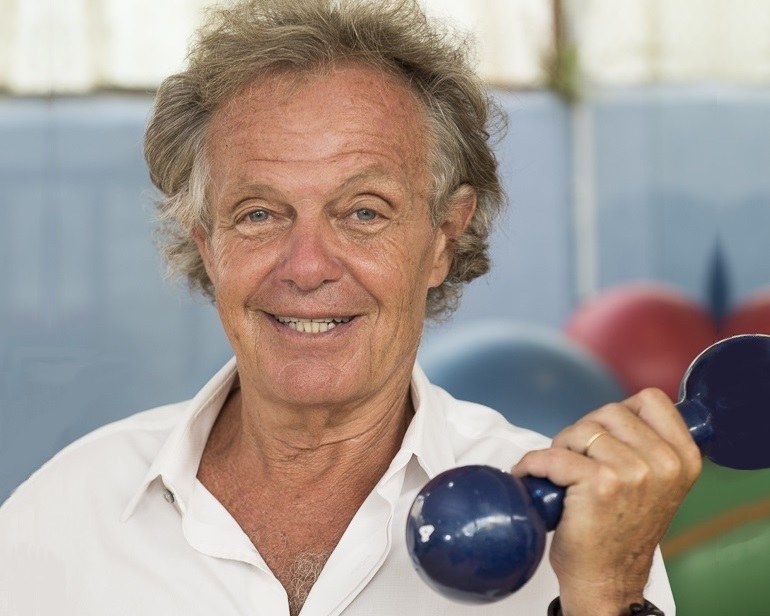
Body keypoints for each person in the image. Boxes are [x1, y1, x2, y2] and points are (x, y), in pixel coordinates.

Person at [0, 1, 701, 614]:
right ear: (208, 246)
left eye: (364, 212)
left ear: (441, 241)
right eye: (259, 215)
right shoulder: (63, 514)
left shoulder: (582, 529)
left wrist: (605, 600)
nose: (306, 266)